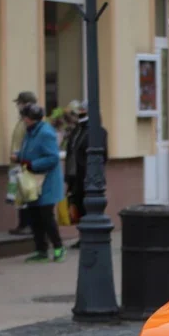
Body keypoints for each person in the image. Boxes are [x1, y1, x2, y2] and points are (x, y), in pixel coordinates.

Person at [17, 103, 66, 262]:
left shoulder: (45, 133)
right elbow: (30, 150)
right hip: (33, 183)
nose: (23, 120)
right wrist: (20, 158)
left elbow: (52, 158)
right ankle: (41, 250)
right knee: (34, 216)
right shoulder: (30, 132)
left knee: (46, 216)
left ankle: (58, 247)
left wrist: (33, 164)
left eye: (24, 117)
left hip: (46, 183)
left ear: (31, 118)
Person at [9, 91, 38, 235]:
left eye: (19, 103)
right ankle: (22, 224)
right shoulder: (22, 120)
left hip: (24, 163)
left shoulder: (31, 122)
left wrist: (21, 158)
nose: (18, 106)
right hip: (17, 163)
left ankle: (27, 225)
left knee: (26, 195)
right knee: (19, 196)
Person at [64, 100, 90, 248]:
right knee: (76, 206)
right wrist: (67, 177)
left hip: (86, 176)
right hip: (74, 175)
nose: (73, 118)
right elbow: (70, 154)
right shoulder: (75, 132)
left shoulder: (93, 130)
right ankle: (82, 237)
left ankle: (88, 237)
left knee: (87, 207)